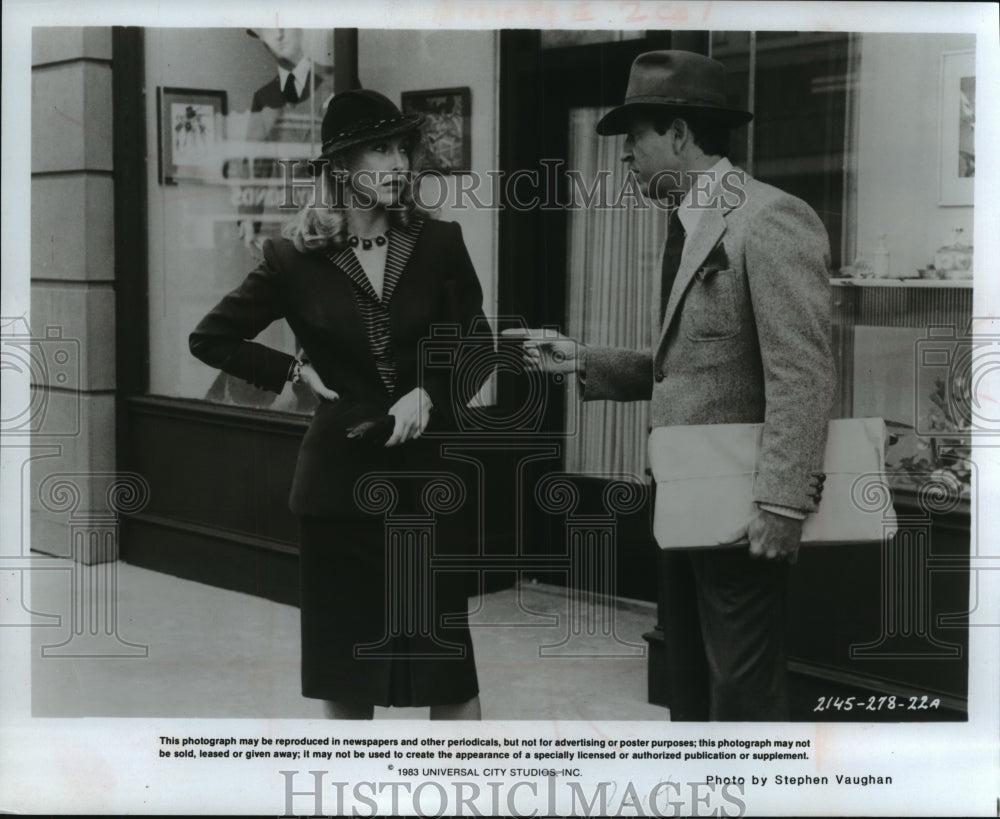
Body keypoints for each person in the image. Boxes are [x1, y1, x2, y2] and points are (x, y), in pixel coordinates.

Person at [508, 50, 835, 721]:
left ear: (680, 135)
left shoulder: (768, 219)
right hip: (687, 498)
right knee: (689, 684)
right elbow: (689, 366)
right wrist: (581, 359)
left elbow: (802, 372)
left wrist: (781, 502)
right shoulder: (690, 226)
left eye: (635, 139)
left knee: (741, 694)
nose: (627, 157)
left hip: (743, 508)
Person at [190, 89, 490, 720]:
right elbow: (210, 338)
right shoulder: (291, 258)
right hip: (338, 495)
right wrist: (292, 369)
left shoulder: (440, 244)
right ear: (342, 165)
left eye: (403, 147)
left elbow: (476, 342)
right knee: (347, 675)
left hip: (428, 489)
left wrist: (428, 392)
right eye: (381, 147)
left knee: (448, 676)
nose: (399, 162)